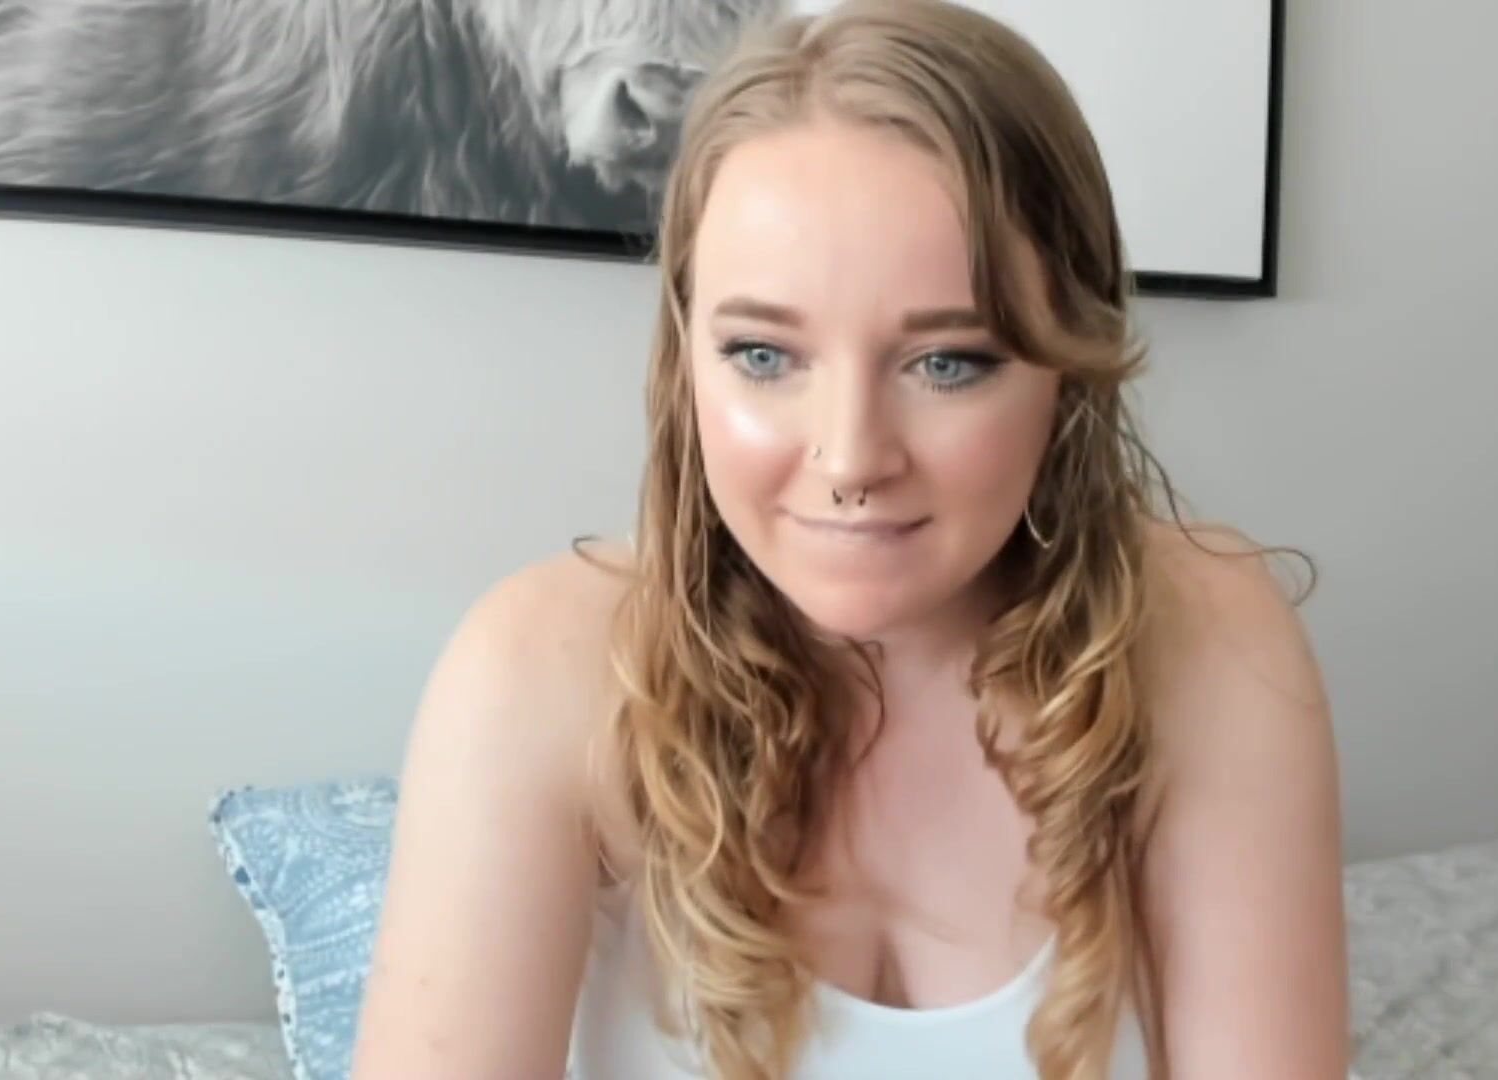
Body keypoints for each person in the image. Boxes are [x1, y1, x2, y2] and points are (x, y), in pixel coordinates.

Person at [348, 1, 1349, 1077]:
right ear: (686, 359)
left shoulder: (1207, 643)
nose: (850, 458)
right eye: (764, 356)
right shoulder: (539, 671)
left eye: (947, 363)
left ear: (1068, 367)